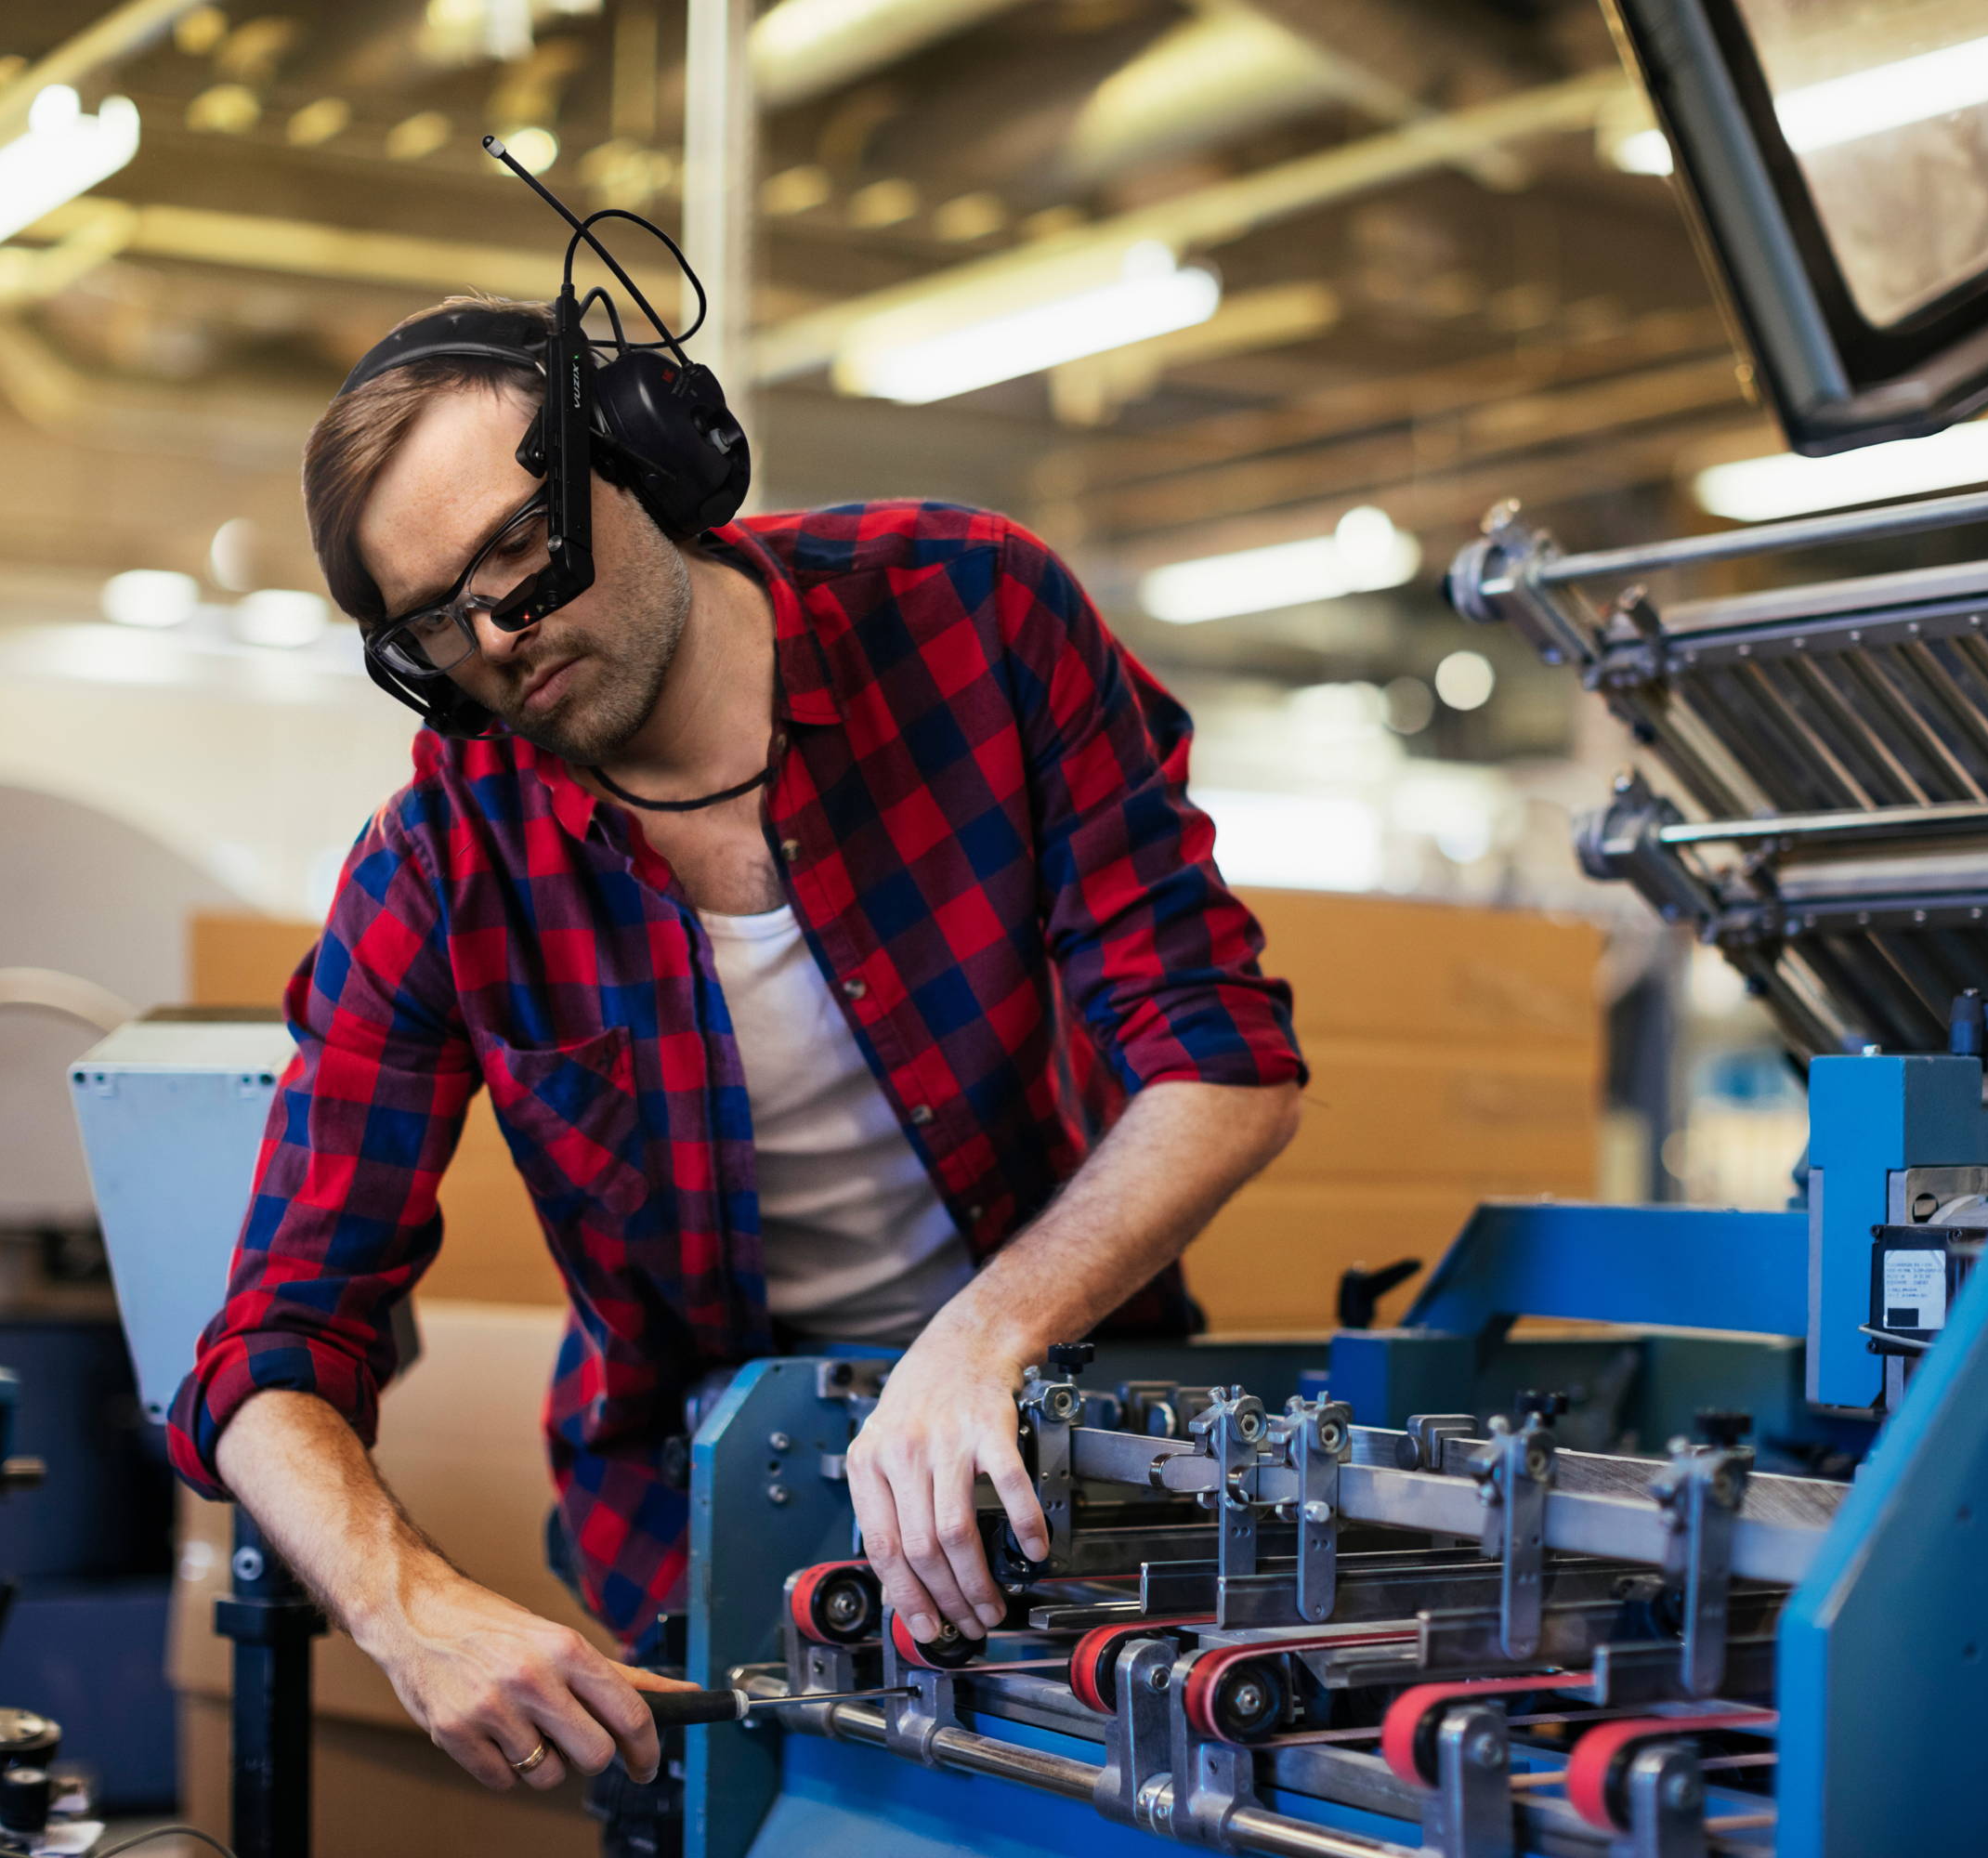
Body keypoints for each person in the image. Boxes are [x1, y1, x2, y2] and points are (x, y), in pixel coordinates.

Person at [163, 291, 1304, 1794]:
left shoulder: (976, 614)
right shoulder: (447, 862)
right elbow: (267, 1354)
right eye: (441, 619)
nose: (501, 633)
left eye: (521, 550)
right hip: (699, 1535)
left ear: (643, 456)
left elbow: (1219, 1061)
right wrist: (405, 1607)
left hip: (1069, 1471)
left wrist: (979, 1340)